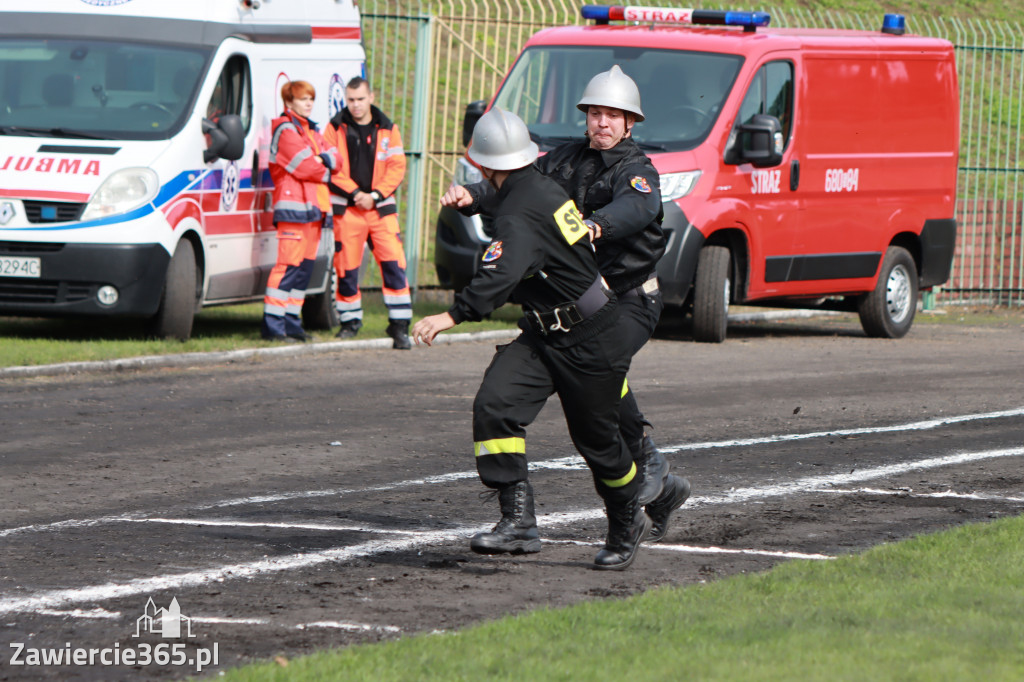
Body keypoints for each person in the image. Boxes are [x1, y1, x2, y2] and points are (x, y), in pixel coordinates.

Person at [441, 65, 690, 541]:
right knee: (582, 380)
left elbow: (636, 209)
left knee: (596, 374)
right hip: (580, 300)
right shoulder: (563, 159)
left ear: (629, 122)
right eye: (596, 113)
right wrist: (471, 195)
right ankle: (656, 486)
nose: (602, 122)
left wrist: (597, 225)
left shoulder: (637, 170)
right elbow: (518, 187)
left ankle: (644, 457)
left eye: (612, 116)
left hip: (631, 299)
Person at [414, 107, 651, 570]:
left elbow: (501, 273)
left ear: (480, 162)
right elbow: (503, 204)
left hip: (589, 338)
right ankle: (518, 523)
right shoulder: (536, 186)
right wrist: (476, 197)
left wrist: (451, 315)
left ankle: (627, 520)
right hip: (545, 330)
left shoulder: (521, 211)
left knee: (598, 442)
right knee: (496, 404)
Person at [324, 77, 412, 349]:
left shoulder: (388, 128)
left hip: (380, 210)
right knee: (347, 267)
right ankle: (350, 323)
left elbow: (397, 168)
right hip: (349, 209)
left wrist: (373, 196)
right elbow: (331, 167)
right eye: (350, 100)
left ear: (371, 97)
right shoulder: (335, 127)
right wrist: (356, 194)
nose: (355, 105)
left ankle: (399, 327)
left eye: (360, 99)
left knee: (394, 265)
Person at [262, 80, 337, 342]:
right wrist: (321, 162)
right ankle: (273, 325)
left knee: (304, 269)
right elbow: (307, 168)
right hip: (294, 210)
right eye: (303, 99)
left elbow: (336, 158)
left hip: (315, 209)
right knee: (288, 266)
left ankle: (292, 323)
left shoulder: (311, 131)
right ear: (289, 102)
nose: (308, 104)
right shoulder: (285, 131)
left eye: (311, 99)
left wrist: (321, 160)